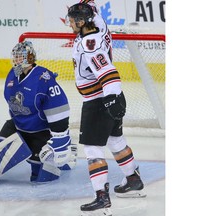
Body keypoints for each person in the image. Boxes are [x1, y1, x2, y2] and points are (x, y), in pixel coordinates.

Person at [66, 1, 145, 215]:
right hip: (111, 97)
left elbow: (107, 71)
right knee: (116, 141)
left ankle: (101, 196)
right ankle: (133, 179)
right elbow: (91, 6)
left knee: (92, 148)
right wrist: (115, 96)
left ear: (82, 22)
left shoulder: (88, 44)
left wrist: (111, 98)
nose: (70, 24)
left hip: (98, 101)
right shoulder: (98, 23)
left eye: (73, 21)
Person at [0, 41, 76, 186]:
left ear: (30, 58)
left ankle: (66, 158)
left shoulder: (43, 78)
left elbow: (59, 107)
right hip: (19, 126)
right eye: (15, 56)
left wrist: (60, 138)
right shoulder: (12, 75)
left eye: (20, 56)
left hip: (41, 132)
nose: (16, 60)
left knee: (41, 178)